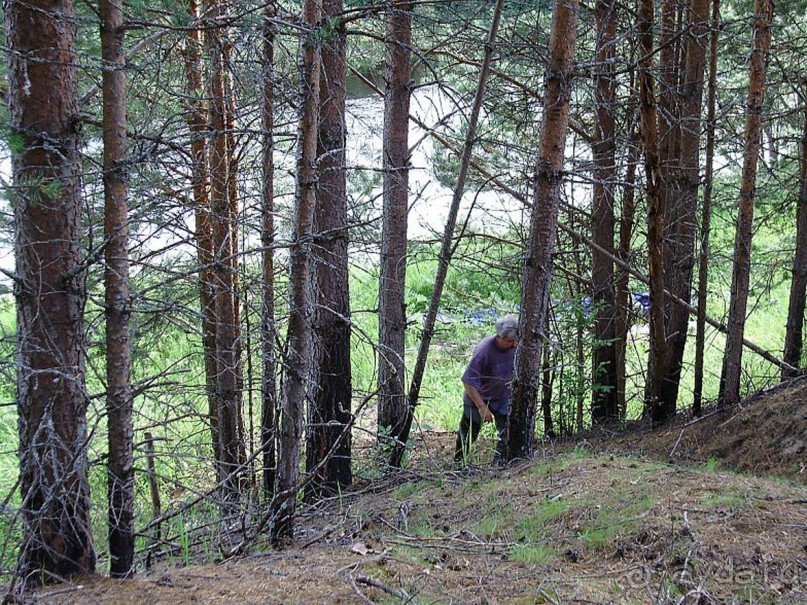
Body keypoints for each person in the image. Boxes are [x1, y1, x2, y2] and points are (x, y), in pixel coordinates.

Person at [454, 314, 519, 465]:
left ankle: (499, 463)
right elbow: (468, 381)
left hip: (502, 396)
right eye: (510, 341)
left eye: (515, 341)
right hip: (478, 397)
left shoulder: (516, 345)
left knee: (506, 432)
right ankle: (459, 464)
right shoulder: (484, 350)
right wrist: (482, 407)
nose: (514, 345)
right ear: (499, 337)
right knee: (469, 432)